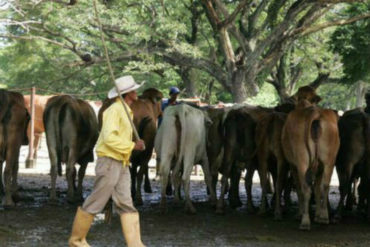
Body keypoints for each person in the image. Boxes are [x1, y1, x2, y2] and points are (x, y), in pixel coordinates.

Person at [68, 75, 146, 247]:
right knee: (97, 200)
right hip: (110, 162)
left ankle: (135, 244)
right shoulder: (114, 110)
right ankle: (76, 241)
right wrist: (133, 146)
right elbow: (109, 138)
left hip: (122, 162)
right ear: (127, 93)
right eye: (134, 89)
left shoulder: (125, 110)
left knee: (126, 203)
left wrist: (131, 147)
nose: (136, 91)